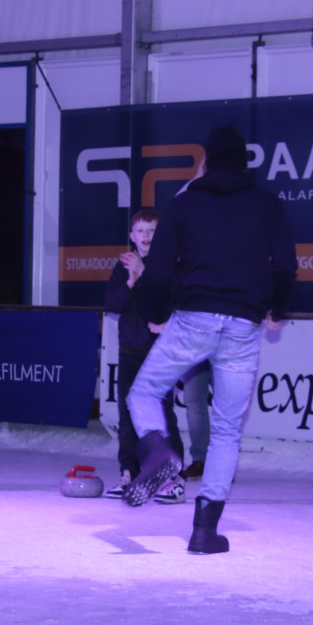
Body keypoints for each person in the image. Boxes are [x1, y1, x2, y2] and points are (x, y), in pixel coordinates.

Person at [122, 124, 298, 554]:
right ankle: (204, 531)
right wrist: (277, 308)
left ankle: (158, 450)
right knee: (226, 431)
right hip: (243, 326)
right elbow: (286, 265)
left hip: (193, 320)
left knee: (143, 393)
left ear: (207, 161)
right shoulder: (267, 203)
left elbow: (158, 271)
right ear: (244, 162)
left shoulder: (185, 203)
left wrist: (157, 315)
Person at [105, 208, 186, 502]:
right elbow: (111, 304)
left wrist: (144, 273)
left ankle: (174, 479)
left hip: (159, 353)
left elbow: (167, 301)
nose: (146, 236)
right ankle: (129, 472)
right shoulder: (123, 265)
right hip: (129, 351)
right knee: (127, 416)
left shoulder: (169, 266)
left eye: (152, 230)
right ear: (131, 235)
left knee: (162, 415)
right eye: (140, 230)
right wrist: (130, 281)